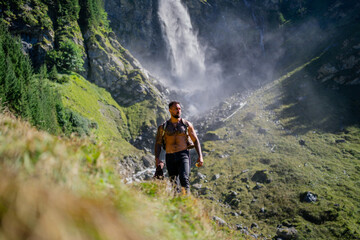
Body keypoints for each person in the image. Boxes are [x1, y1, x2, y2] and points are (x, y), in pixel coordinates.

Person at [154, 101, 203, 195]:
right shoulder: (163, 127)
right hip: (170, 156)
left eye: (179, 109)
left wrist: (200, 156)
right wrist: (157, 159)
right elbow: (158, 143)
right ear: (170, 110)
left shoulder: (186, 125)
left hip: (183, 155)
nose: (178, 111)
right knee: (173, 182)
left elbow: (196, 140)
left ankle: (187, 202)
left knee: (184, 178)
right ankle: (177, 203)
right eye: (176, 109)